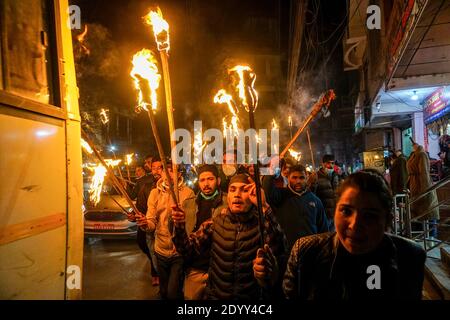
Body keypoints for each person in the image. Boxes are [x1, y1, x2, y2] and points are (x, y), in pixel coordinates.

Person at [281, 170, 426, 300]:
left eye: (369, 216)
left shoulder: (410, 256)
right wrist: (269, 283)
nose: (355, 225)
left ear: (388, 220)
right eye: (346, 211)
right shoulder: (306, 251)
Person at [171, 174, 288, 299]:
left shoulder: (262, 224)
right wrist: (179, 226)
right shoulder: (215, 223)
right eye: (232, 190)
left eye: (244, 190)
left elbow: (281, 248)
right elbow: (187, 251)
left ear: (254, 195)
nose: (237, 194)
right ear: (228, 196)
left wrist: (264, 206)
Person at [137, 162, 196, 300]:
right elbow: (151, 221)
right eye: (166, 171)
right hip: (160, 250)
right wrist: (145, 223)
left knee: (173, 292)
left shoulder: (188, 193)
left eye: (173, 171)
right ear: (162, 173)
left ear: (179, 174)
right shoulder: (154, 193)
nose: (169, 174)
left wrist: (181, 220)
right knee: (163, 290)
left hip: (178, 253)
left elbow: (190, 225)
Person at [181, 164, 228, 300]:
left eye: (210, 179)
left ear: (218, 181)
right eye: (202, 180)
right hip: (195, 268)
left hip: (220, 269)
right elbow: (180, 235)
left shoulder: (228, 202)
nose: (206, 184)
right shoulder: (188, 204)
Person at [263, 164, 329, 249]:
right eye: (294, 178)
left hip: (311, 251)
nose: (298, 181)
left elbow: (323, 230)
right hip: (287, 252)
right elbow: (267, 189)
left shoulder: (316, 201)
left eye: (301, 178)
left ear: (307, 178)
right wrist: (272, 170)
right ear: (288, 178)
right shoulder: (280, 196)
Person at [125, 164, 159, 286]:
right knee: (144, 244)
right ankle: (156, 266)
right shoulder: (146, 186)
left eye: (160, 168)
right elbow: (138, 203)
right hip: (146, 223)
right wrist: (134, 216)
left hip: (162, 228)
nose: (157, 171)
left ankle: (156, 272)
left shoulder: (171, 189)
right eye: (154, 168)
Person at [407, 143, 439, 237]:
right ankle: (423, 238)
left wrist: (425, 191)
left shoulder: (422, 154)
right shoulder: (414, 154)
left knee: (427, 212)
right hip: (415, 186)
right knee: (419, 215)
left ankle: (430, 239)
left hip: (421, 187)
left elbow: (424, 173)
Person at [309, 154, 339, 230]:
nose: (331, 165)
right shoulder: (316, 177)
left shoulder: (335, 176)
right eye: (328, 163)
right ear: (323, 164)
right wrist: (313, 184)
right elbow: (311, 195)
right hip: (324, 215)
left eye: (332, 163)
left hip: (335, 214)